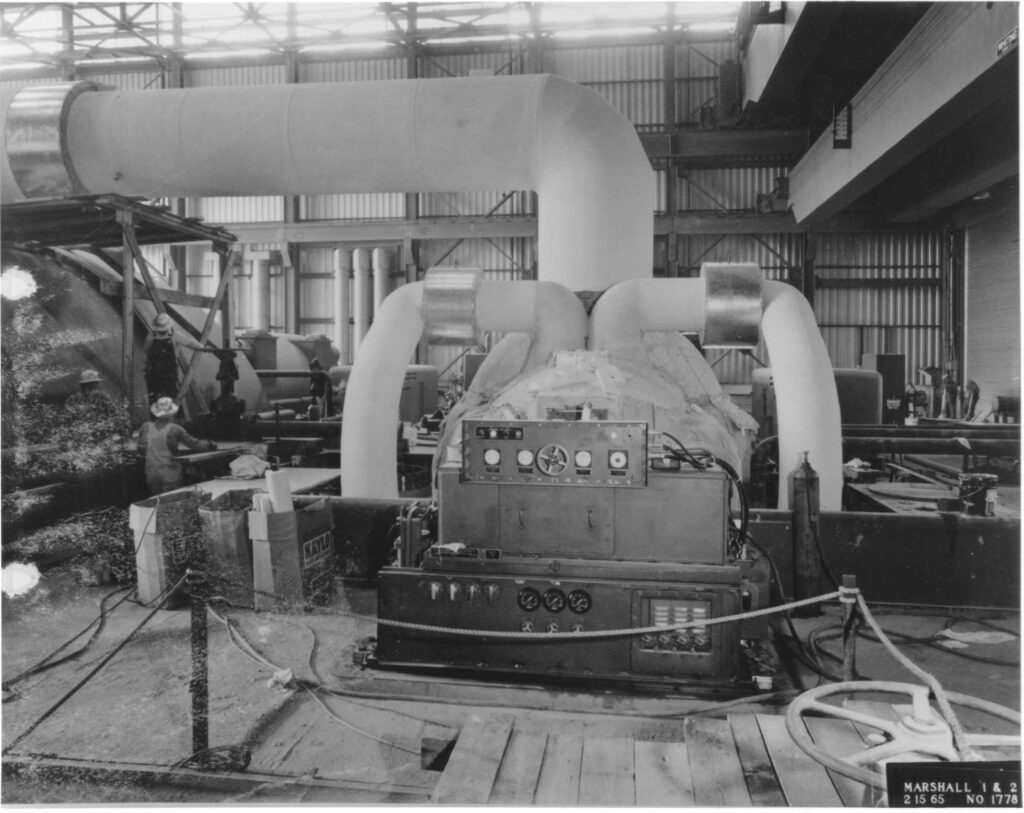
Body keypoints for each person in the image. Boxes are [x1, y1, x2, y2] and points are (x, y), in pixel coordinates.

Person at [138, 397, 216, 495]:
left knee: (156, 499)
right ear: (171, 414)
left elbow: (140, 447)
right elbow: (194, 444)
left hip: (151, 473)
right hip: (170, 474)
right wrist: (210, 444)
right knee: (171, 499)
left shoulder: (146, 427)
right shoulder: (175, 429)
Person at [144, 314, 180, 405]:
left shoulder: (173, 337)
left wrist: (202, 347)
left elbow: (190, 343)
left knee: (167, 399)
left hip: (167, 376)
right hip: (155, 374)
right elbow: (145, 352)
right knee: (156, 399)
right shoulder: (150, 338)